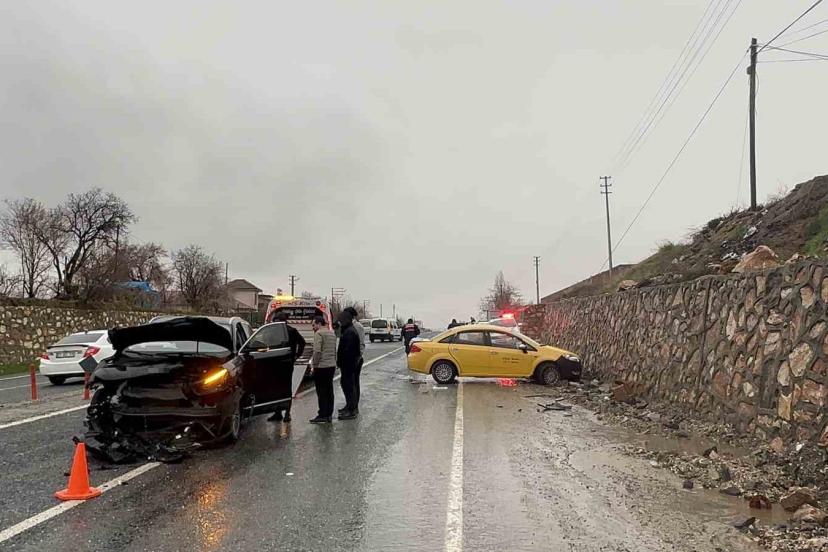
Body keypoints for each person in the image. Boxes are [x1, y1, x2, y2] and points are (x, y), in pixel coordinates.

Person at [268, 310, 306, 423]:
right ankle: (280, 413)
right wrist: (296, 356)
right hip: (285, 363)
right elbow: (302, 343)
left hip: (281, 364)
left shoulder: (287, 331)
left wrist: (296, 356)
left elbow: (302, 343)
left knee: (281, 388)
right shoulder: (290, 331)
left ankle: (285, 413)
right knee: (282, 388)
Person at [309, 315, 337, 424]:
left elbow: (317, 352)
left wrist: (314, 365)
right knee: (329, 390)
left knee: (321, 392)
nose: (313, 327)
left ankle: (322, 414)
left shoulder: (319, 334)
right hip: (331, 366)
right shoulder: (332, 333)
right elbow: (334, 350)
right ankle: (329, 414)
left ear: (319, 324)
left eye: (314, 325)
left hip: (321, 367)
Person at [336, 310, 362, 420]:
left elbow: (348, 350)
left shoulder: (350, 332)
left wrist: (343, 361)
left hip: (349, 364)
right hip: (347, 364)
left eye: (342, 320)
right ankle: (349, 407)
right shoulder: (347, 330)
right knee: (346, 385)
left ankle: (352, 410)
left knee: (350, 386)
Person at [343, 307, 365, 410]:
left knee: (354, 383)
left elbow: (361, 343)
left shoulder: (357, 326)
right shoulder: (347, 326)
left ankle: (354, 406)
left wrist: (358, 358)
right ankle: (349, 404)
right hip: (347, 359)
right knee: (347, 383)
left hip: (355, 359)